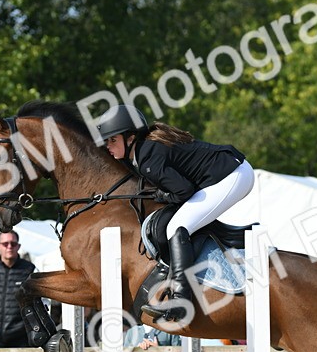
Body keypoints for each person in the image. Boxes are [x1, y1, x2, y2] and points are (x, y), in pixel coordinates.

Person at [96, 104, 255, 322]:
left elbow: (184, 190)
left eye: (112, 140)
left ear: (130, 138)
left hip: (232, 176)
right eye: (107, 141)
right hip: (227, 172)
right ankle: (240, 238)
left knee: (176, 227)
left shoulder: (147, 159)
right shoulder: (143, 152)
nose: (108, 146)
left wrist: (163, 196)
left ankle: (181, 299)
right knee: (186, 220)